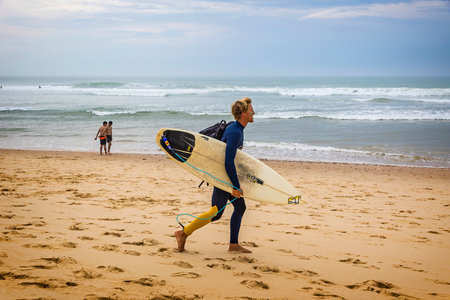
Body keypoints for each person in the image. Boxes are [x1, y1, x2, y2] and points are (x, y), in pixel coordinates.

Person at [175, 97, 255, 253]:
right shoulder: (235, 132)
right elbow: (228, 162)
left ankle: (233, 245)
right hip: (222, 175)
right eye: (251, 110)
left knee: (239, 207)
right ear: (243, 113)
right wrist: (235, 186)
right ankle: (183, 233)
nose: (254, 112)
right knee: (216, 212)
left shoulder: (236, 127)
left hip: (223, 174)